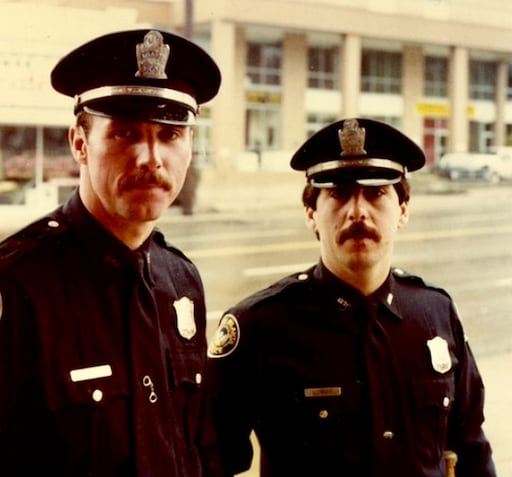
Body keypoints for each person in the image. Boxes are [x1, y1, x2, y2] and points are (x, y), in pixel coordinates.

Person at [0, 29, 222, 477]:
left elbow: (196, 450)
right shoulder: (8, 289)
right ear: (79, 142)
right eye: (125, 134)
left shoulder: (180, 282)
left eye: (171, 135)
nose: (151, 158)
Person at [206, 118, 497, 477]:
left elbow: (471, 448)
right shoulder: (261, 326)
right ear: (312, 214)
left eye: (376, 193)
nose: (357, 212)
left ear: (403, 210)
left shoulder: (435, 315)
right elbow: (210, 459)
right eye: (339, 194)